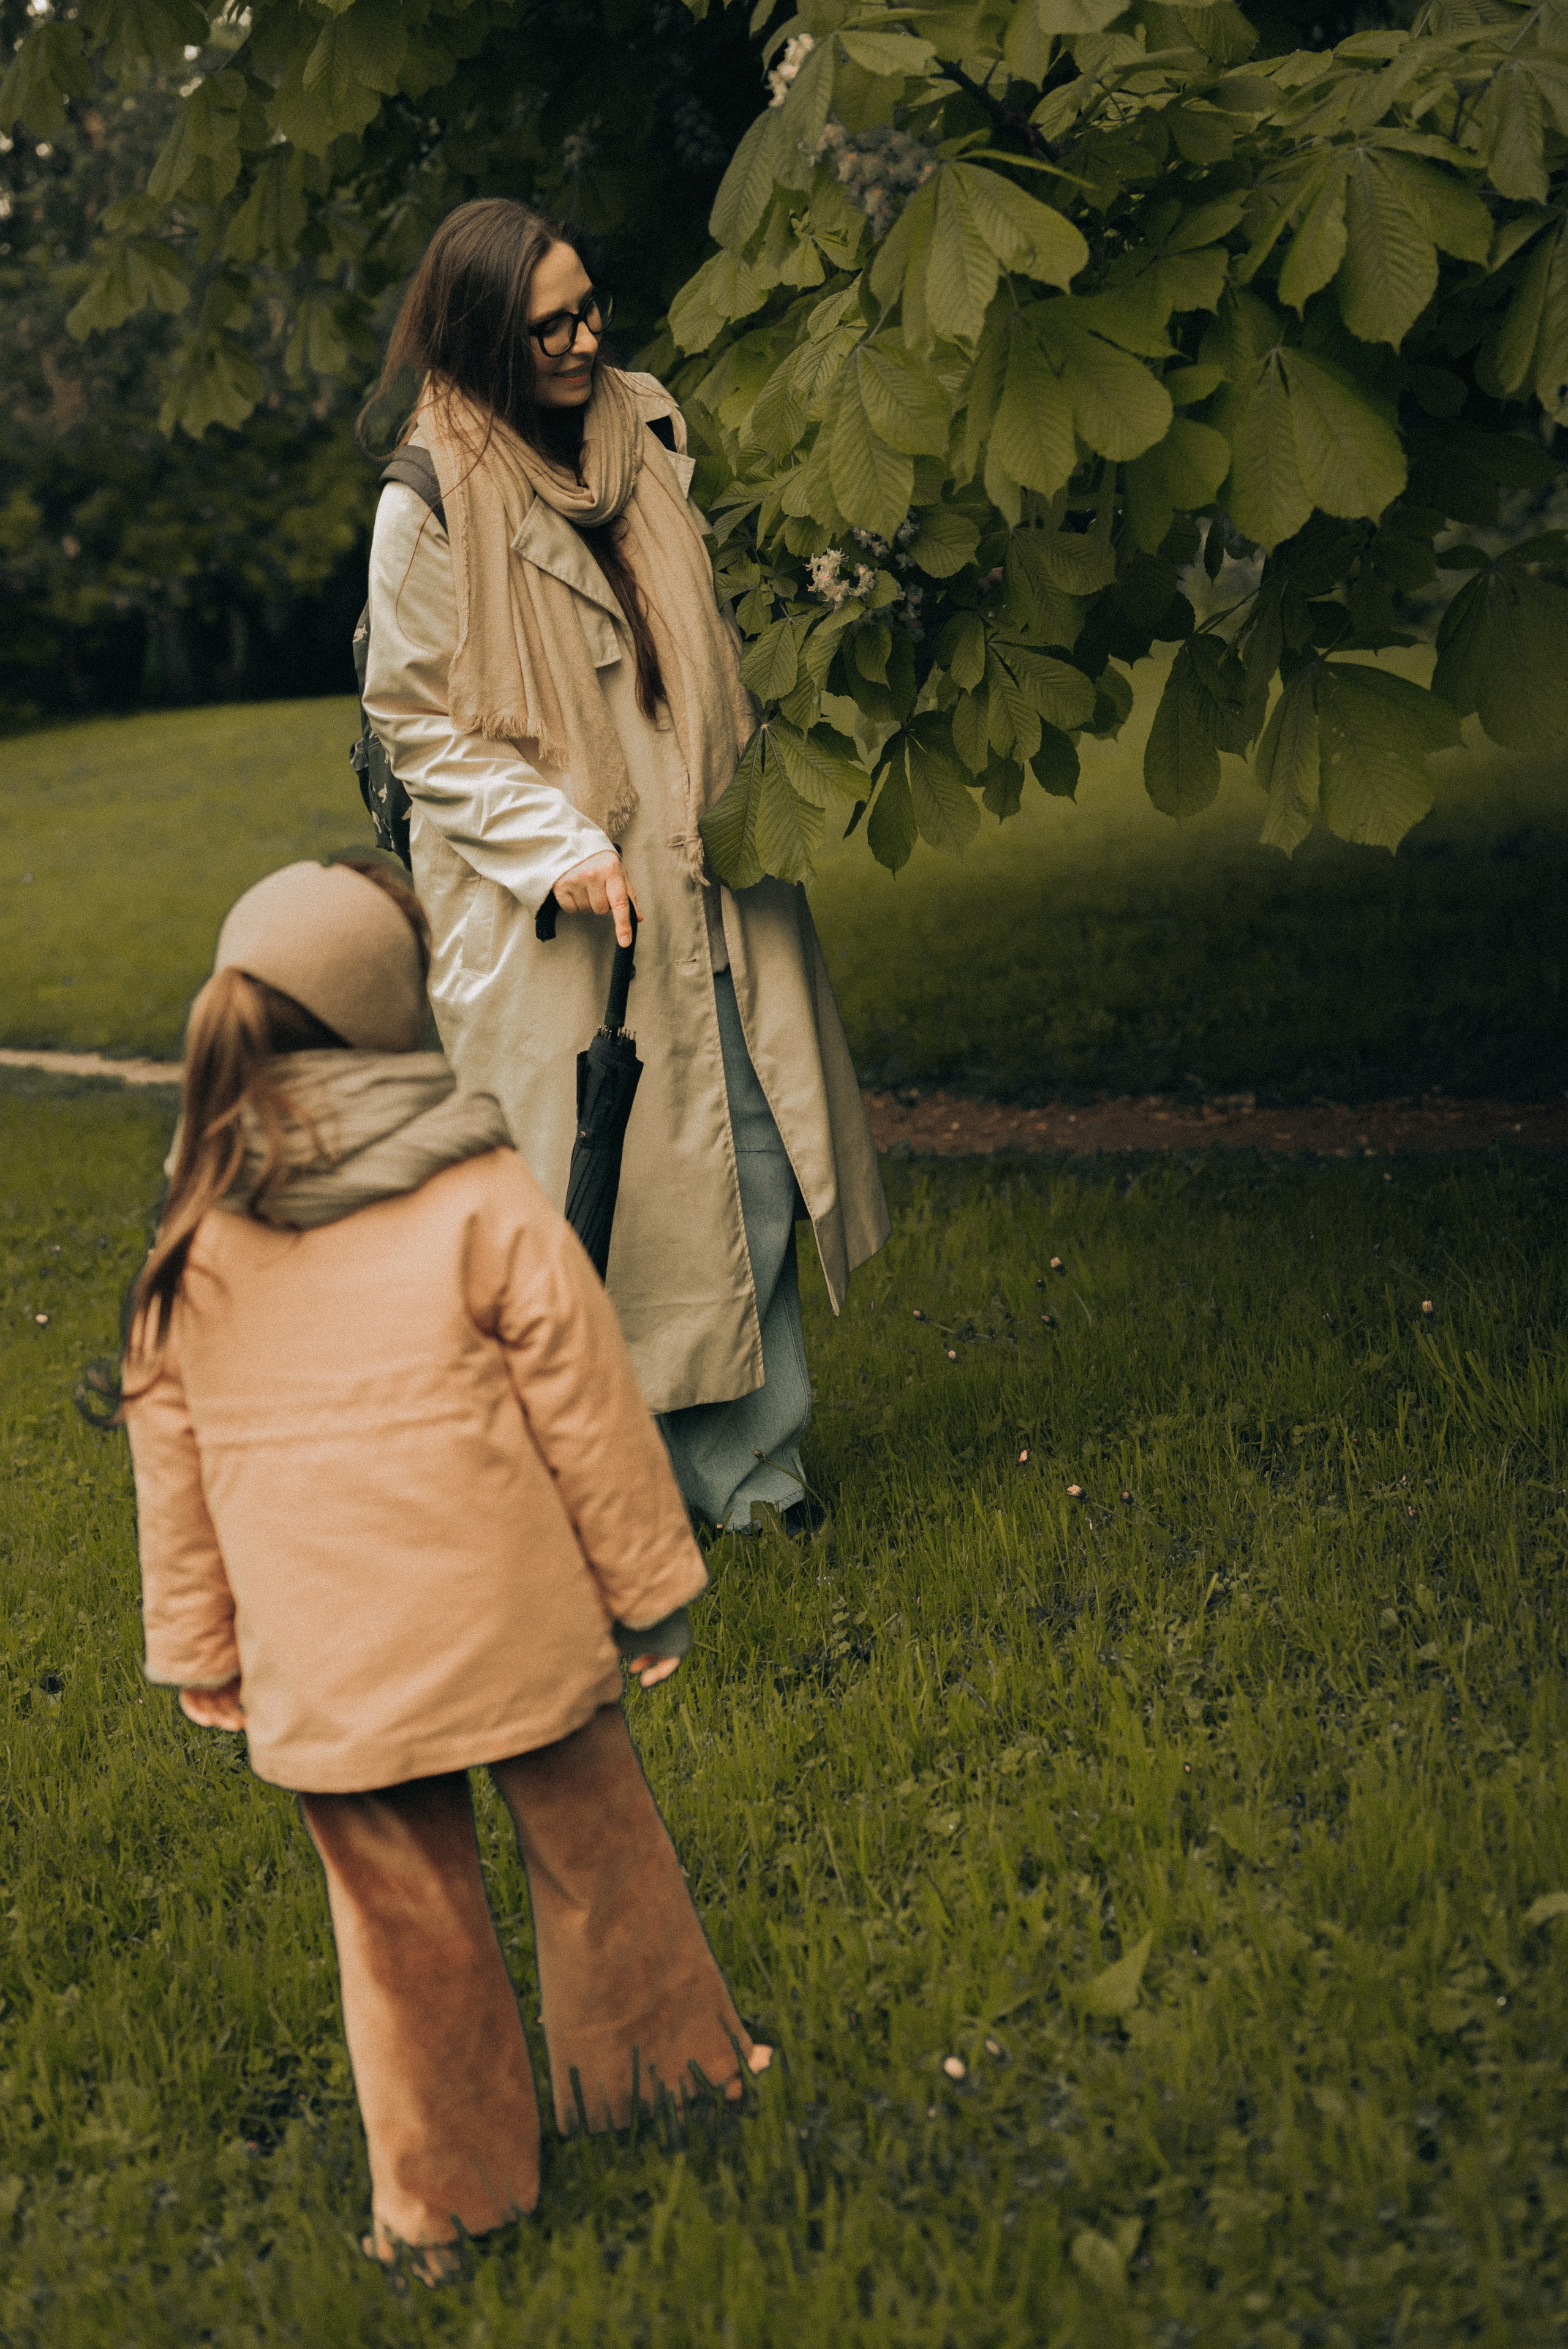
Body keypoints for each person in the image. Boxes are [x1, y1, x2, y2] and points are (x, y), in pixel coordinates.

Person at [120, 856, 771, 2285]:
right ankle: (668, 2079)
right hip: (519, 1630)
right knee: (600, 1860)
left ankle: (449, 2207)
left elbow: (169, 1470)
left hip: (334, 1674)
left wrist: (205, 1648)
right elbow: (587, 1401)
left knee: (400, 1937)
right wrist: (645, 1584)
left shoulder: (198, 1234)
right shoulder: (473, 1187)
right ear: (391, 1018)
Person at [358, 197, 888, 1536]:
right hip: (563, 911)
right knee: (616, 1209)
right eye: (552, 325)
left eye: (593, 305)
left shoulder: (644, 431)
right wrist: (561, 848)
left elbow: (683, 639)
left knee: (751, 1160)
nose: (586, 337)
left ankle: (752, 1473)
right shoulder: (424, 502)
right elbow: (416, 722)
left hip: (699, 860)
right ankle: (609, 1489)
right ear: (483, 338)